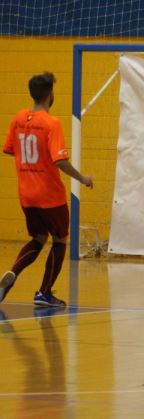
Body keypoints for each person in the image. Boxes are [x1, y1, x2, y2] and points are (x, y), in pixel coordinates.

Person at [0, 72, 93, 307]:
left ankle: (11, 275)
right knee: (60, 240)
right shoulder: (52, 123)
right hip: (50, 196)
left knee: (38, 238)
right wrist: (82, 178)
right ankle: (44, 292)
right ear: (51, 95)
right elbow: (59, 161)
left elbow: (9, 149)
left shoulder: (19, 118)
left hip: (26, 195)